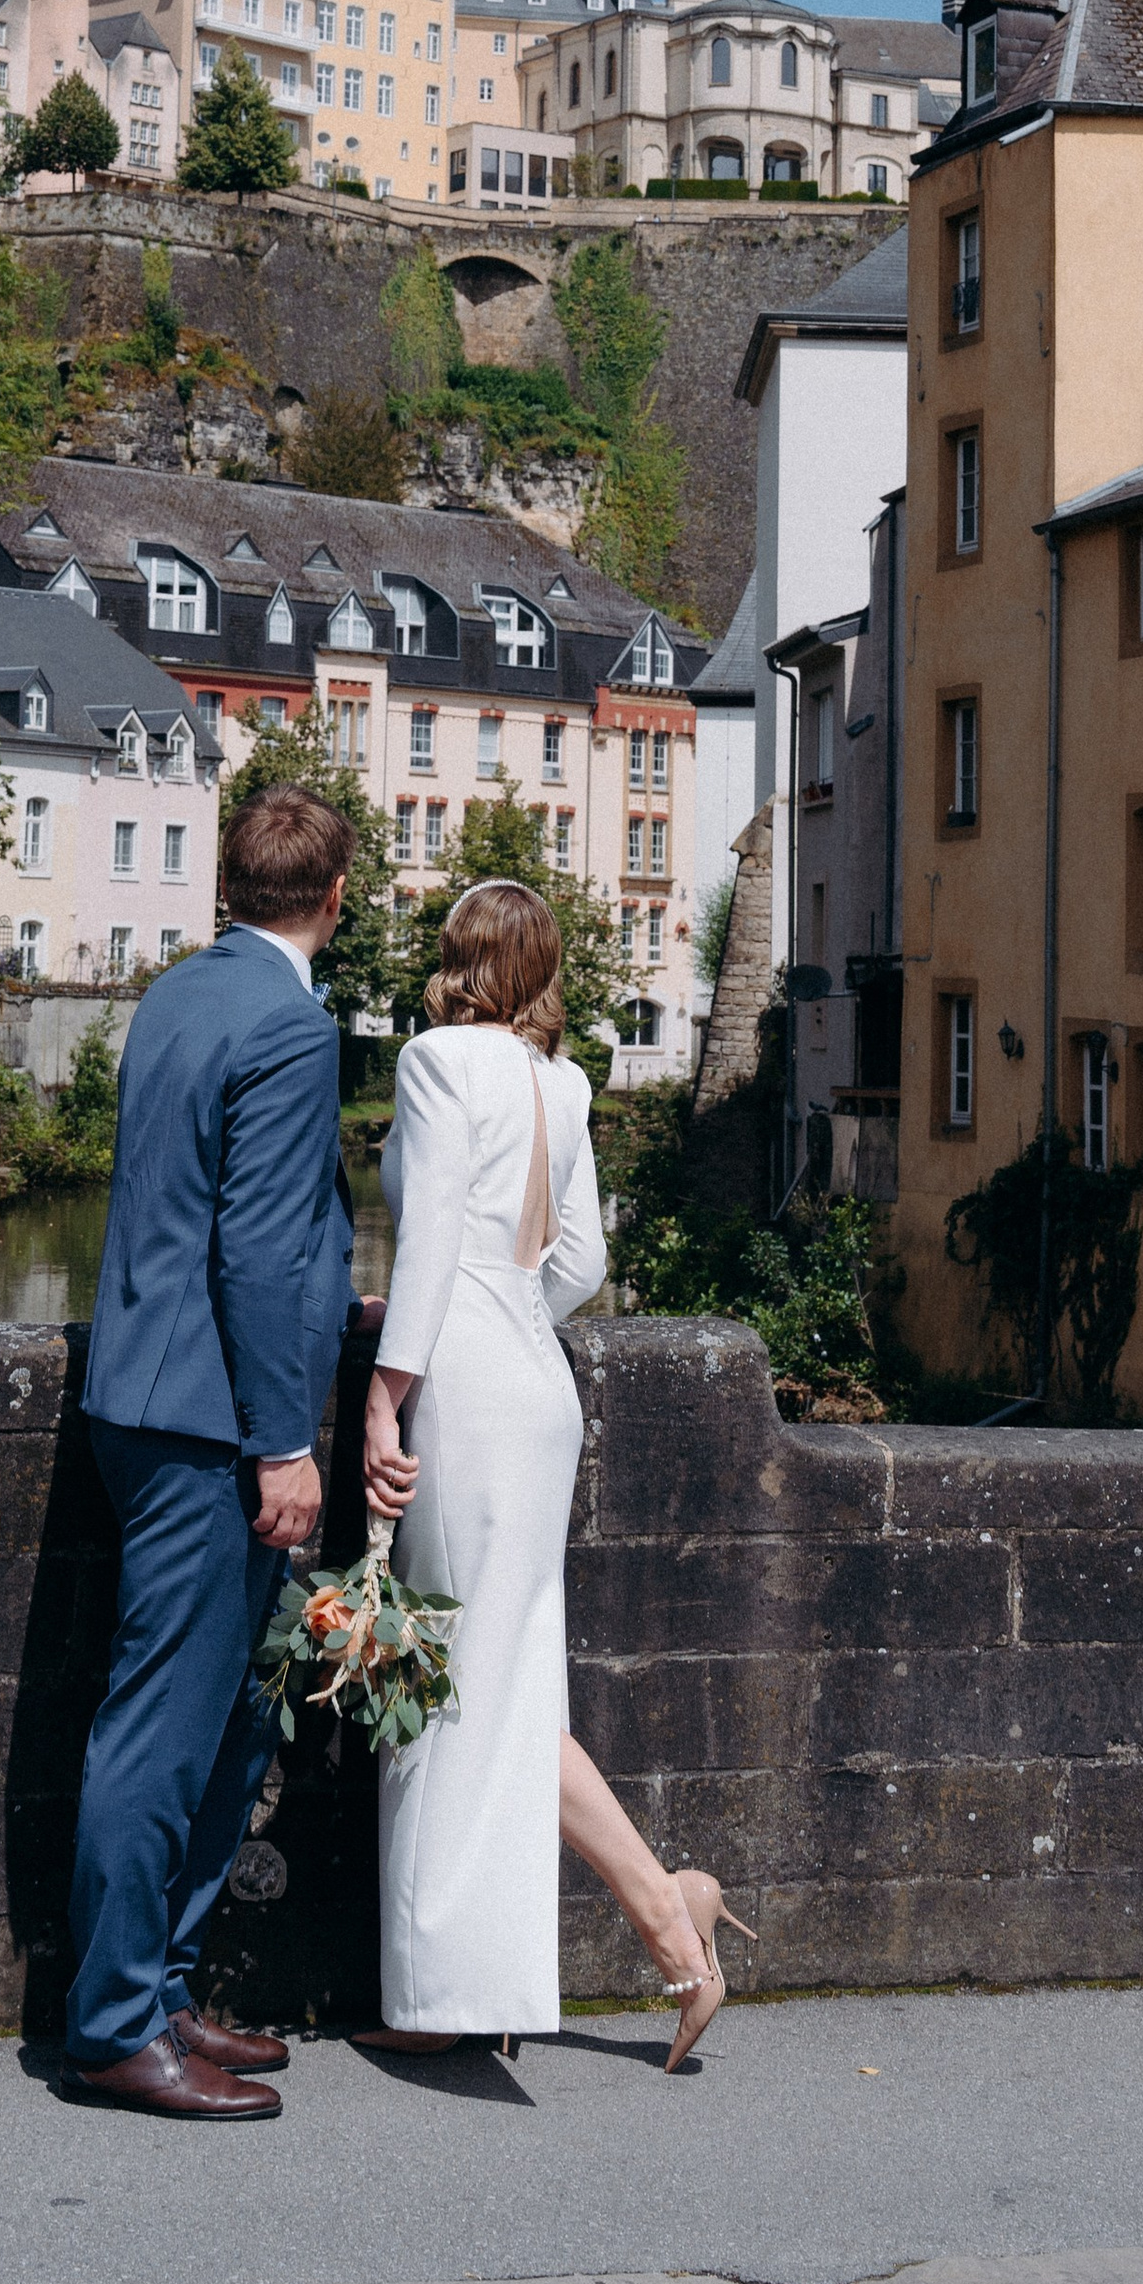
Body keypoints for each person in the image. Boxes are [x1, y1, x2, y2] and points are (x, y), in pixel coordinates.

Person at [362, 879, 754, 2069]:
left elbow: (427, 1237)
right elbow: (578, 1259)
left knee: (451, 1679)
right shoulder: (564, 1084)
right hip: (537, 1391)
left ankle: (589, 1946)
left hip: (468, 1397)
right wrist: (499, 1301)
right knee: (500, 1675)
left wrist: (388, 1389)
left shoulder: (437, 1062)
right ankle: (658, 1913)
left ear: (458, 960)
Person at [60, 782, 360, 2121]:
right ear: (337, 898)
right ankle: (116, 2023)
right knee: (163, 1729)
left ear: (227, 889)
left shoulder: (175, 997)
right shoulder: (292, 1029)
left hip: (144, 1396)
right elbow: (255, 1252)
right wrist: (283, 1446)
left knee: (226, 1719)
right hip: (209, 1422)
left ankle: (165, 1989)